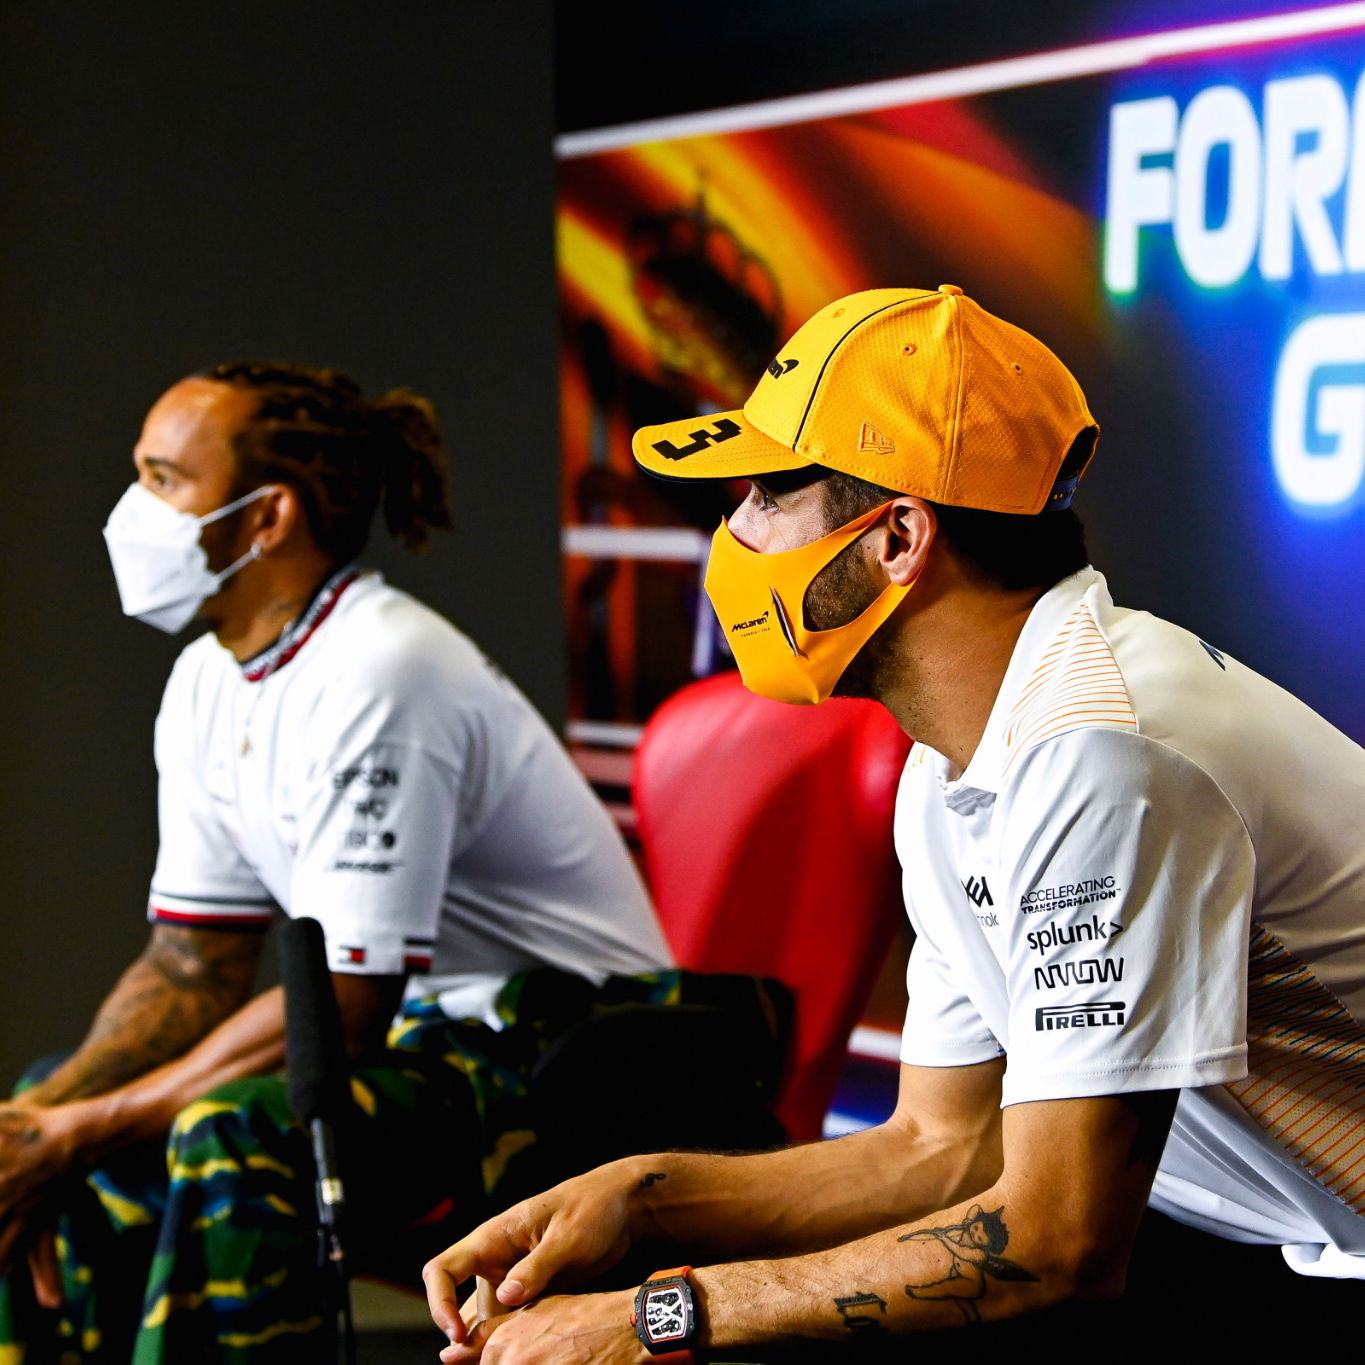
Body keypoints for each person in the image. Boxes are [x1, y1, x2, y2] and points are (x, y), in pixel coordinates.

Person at [422, 285, 1365, 1362]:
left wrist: (656, 1319)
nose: (730, 534)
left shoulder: (1102, 752)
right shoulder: (955, 767)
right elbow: (944, 1147)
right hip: (1291, 1251)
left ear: (900, 539)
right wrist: (640, 1201)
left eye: (768, 493)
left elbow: (1056, 1244)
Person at [0, 362, 774, 1365]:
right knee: (48, 1108)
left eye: (162, 480)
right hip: (425, 1044)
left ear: (265, 516)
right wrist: (39, 1123)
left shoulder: (381, 672)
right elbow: (189, 967)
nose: (132, 509)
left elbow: (346, 1007)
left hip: (567, 1058)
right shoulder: (207, 680)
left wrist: (79, 1130)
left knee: (230, 1132)